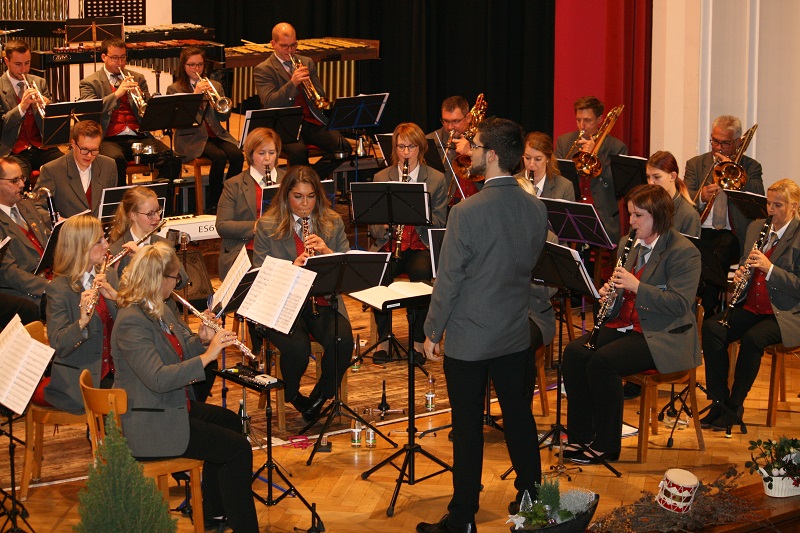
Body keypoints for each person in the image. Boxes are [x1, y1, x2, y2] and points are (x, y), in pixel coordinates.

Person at [419, 118, 546, 533]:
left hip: (470, 339)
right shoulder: (536, 207)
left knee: (468, 427)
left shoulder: (465, 212)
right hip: (513, 333)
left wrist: (431, 332)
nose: (467, 150)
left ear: (491, 155)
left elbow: (450, 280)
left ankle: (462, 517)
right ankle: (531, 499)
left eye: (473, 145)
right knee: (519, 419)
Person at [112, 242, 258, 533]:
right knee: (238, 449)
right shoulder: (131, 323)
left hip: (168, 407)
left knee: (231, 423)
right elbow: (159, 378)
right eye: (175, 278)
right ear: (158, 279)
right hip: (150, 422)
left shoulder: (160, 307)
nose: (178, 283)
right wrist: (208, 356)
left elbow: (180, 349)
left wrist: (202, 340)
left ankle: (214, 514)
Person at [560, 184, 701, 464]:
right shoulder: (628, 244)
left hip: (662, 334)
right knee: (575, 354)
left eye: (638, 216)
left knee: (603, 362)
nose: (632, 222)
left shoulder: (684, 252)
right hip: (626, 326)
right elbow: (622, 293)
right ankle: (580, 437)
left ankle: (606, 445)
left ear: (658, 217)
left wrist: (637, 286)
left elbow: (679, 304)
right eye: (631, 215)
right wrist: (609, 295)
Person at [253, 165, 353, 423]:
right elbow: (259, 273)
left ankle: (320, 397)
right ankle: (294, 394)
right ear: (286, 195)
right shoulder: (267, 226)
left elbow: (347, 264)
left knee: (342, 340)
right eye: (298, 196)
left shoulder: (332, 222)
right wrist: (290, 268)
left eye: (311, 197)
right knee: (297, 348)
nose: (305, 204)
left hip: (321, 301)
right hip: (282, 304)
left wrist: (327, 252)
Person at [700, 178, 800, 431]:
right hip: (751, 305)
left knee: (754, 339)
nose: (771, 210)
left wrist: (770, 269)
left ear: (794, 206)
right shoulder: (757, 227)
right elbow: (745, 262)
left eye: (778, 205)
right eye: (769, 204)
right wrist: (742, 272)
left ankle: (735, 405)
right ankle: (719, 401)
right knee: (712, 329)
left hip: (785, 312)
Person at [368, 123, 447, 361]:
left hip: (419, 245)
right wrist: (384, 226)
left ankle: (417, 340)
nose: (405, 152)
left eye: (411, 147)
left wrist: (416, 213)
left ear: (420, 148)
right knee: (378, 276)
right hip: (390, 245)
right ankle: (384, 340)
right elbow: (372, 224)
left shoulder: (436, 179)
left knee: (422, 275)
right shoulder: (382, 177)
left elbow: (440, 221)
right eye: (401, 146)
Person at [684, 115, 764, 316]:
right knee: (686, 253)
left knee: (716, 257)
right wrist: (701, 197)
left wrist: (735, 172)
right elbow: (686, 200)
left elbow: (758, 196)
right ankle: (691, 305)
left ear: (737, 143)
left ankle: (707, 311)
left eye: (724, 143)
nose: (717, 147)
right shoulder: (695, 164)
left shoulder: (751, 166)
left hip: (732, 234)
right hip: (700, 228)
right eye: (714, 141)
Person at [40, 214, 118, 413]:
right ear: (81, 247)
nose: (107, 244)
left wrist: (117, 299)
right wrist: (81, 322)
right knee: (135, 403)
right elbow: (59, 345)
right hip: (82, 378)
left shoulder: (108, 275)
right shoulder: (59, 288)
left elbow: (126, 326)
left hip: (115, 369)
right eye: (99, 241)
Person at [253, 22, 351, 180]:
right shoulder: (264, 69)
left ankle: (309, 179)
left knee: (343, 148)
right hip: (286, 124)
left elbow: (320, 94)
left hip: (311, 120)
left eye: (293, 45)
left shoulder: (307, 62)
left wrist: (309, 85)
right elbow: (270, 102)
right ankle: (302, 185)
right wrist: (293, 83)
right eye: (285, 46)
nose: (290, 51)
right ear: (273, 44)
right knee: (299, 152)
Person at [79, 37, 178, 187]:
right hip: (108, 138)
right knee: (115, 160)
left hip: (138, 135)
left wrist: (143, 98)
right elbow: (91, 109)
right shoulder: (89, 82)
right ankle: (120, 205)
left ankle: (160, 202)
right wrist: (117, 94)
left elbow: (148, 112)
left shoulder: (138, 78)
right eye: (115, 58)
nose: (120, 63)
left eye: (123, 57)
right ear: (103, 57)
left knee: (172, 158)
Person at [166, 47, 243, 212]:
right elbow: (182, 121)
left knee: (237, 155)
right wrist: (196, 94)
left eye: (200, 65)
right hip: (190, 139)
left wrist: (223, 105)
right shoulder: (175, 89)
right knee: (219, 157)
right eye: (191, 65)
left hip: (215, 134)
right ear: (183, 66)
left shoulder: (214, 85)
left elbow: (223, 118)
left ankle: (230, 196)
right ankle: (214, 203)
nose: (196, 69)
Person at [216, 127, 286, 282]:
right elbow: (222, 226)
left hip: (285, 245)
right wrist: (256, 226)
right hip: (248, 248)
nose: (267, 158)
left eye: (272, 153)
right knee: (261, 275)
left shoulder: (289, 180)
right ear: (251, 155)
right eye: (261, 153)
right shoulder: (234, 185)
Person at [555, 95, 627, 243]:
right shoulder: (564, 142)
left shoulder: (616, 147)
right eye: (578, 120)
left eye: (587, 121)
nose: (582, 125)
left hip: (602, 215)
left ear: (599, 120)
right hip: (572, 208)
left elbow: (617, 187)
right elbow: (557, 177)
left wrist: (596, 154)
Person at [0, 39, 63, 181]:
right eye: (18, 64)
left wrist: (48, 107)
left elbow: (53, 125)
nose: (23, 69)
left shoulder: (39, 82)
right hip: (13, 150)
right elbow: (2, 125)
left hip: (41, 147)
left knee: (66, 169)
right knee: (17, 180)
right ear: (6, 61)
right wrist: (22, 107)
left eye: (27, 63)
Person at [35, 120, 117, 219]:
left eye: (95, 150)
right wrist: (59, 221)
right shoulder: (52, 170)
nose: (89, 155)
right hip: (68, 232)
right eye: (84, 149)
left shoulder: (109, 165)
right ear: (73, 144)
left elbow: (112, 205)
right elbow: (37, 208)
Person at [0, 157, 51, 309]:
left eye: (22, 178)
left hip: (51, 276)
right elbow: (9, 273)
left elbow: (47, 239)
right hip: (27, 292)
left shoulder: (26, 205)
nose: (22, 184)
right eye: (14, 181)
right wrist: (49, 286)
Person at [426, 95, 480, 204]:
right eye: (446, 121)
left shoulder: (482, 140)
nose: (450, 127)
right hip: (446, 204)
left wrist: (471, 153)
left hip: (478, 202)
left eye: (455, 121)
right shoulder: (430, 141)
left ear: (468, 118)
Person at [646, 151, 701, 237]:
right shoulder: (644, 206)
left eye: (656, 177)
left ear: (672, 176)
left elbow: (688, 250)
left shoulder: (689, 215)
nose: (650, 182)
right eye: (648, 177)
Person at [514, 131, 576, 201]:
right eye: (527, 158)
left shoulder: (564, 187)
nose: (531, 164)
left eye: (538, 159)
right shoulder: (512, 183)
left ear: (548, 159)